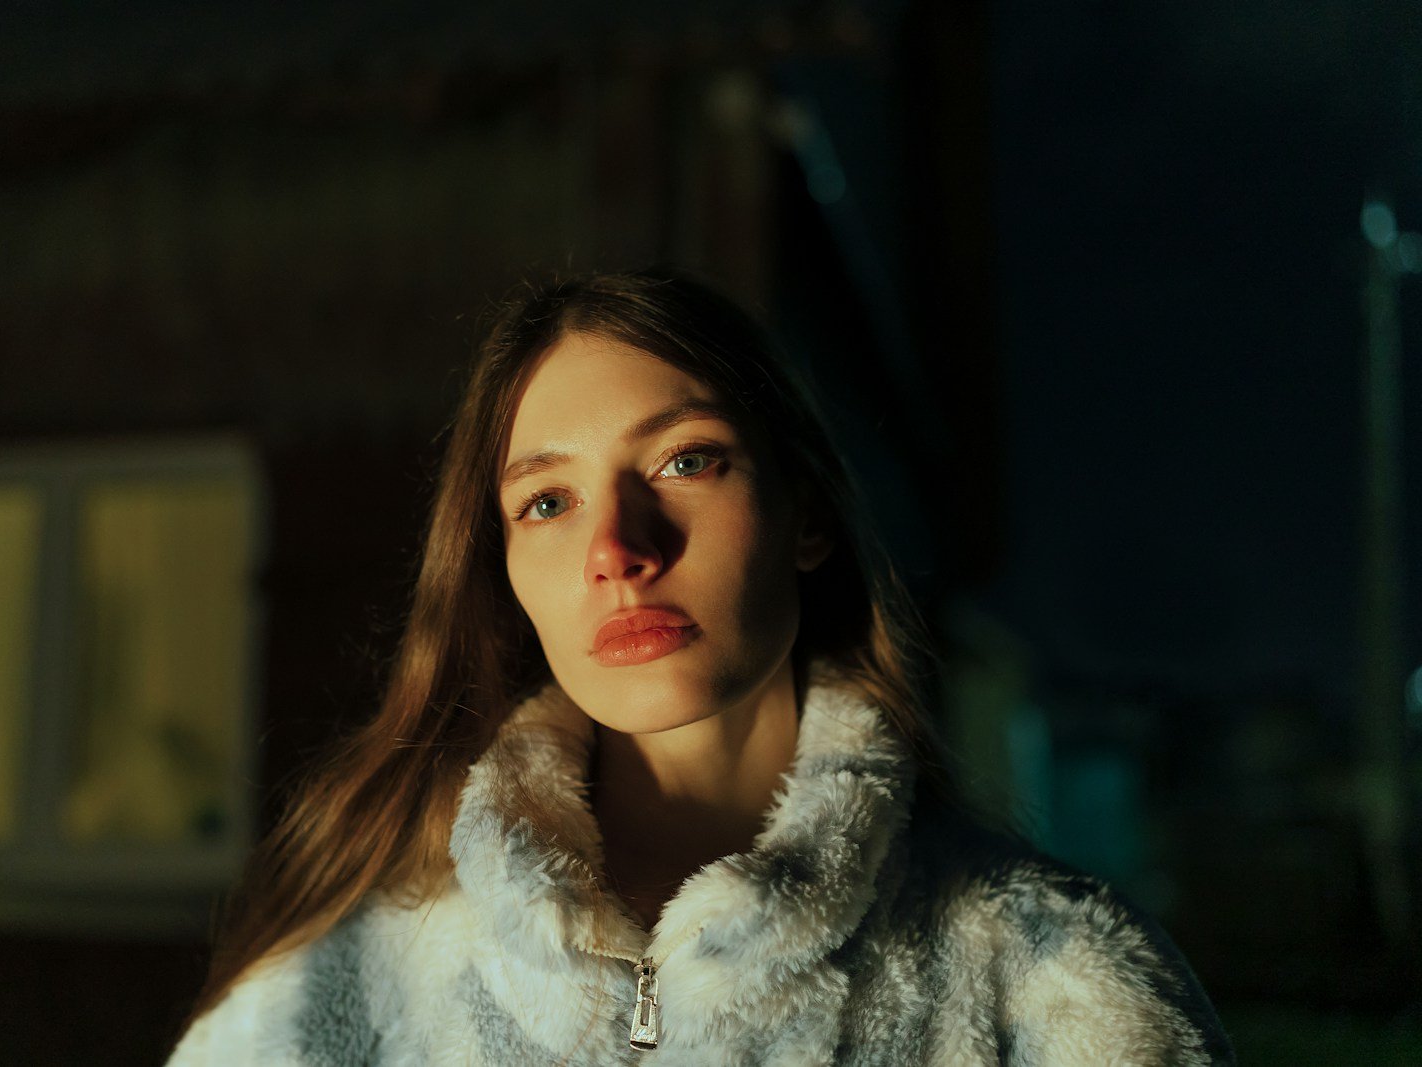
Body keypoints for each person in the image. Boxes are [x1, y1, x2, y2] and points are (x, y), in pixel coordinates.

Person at [166, 269, 1233, 1065]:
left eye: (685, 460)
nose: (616, 548)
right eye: (546, 499)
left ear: (805, 512)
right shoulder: (346, 998)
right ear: (505, 576)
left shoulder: (1050, 981)